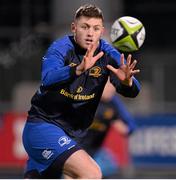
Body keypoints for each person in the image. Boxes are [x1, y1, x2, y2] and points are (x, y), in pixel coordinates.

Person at [22, 4, 141, 179]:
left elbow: (133, 90)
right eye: (85, 27)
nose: (90, 33)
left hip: (73, 136)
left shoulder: (107, 54)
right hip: (43, 126)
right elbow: (47, 78)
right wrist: (76, 69)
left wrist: (127, 82)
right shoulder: (60, 48)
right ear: (74, 28)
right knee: (91, 172)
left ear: (102, 31)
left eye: (95, 28)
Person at [82, 79, 136, 178]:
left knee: (108, 169)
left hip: (95, 150)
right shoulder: (87, 97)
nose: (111, 89)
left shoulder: (114, 103)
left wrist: (126, 129)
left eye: (113, 86)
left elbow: (131, 125)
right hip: (75, 146)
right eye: (108, 85)